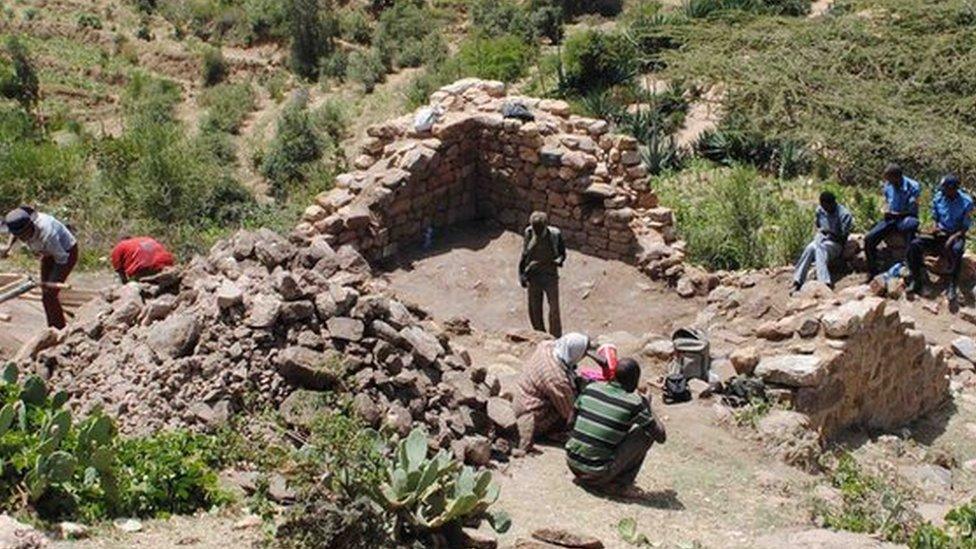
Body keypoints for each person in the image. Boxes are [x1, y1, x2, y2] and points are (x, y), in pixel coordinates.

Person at [565, 358, 666, 494]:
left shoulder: (591, 388)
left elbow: (570, 423)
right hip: (596, 472)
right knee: (646, 433)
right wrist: (647, 405)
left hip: (572, 463)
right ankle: (620, 485)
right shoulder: (634, 403)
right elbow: (660, 436)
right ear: (634, 380)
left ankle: (588, 473)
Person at [513, 333, 604, 441]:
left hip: (521, 400)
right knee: (577, 409)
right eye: (582, 355)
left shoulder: (546, 347)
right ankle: (554, 433)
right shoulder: (557, 379)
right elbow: (569, 412)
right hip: (532, 416)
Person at [0, 207, 78, 329]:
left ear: (30, 227)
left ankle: (59, 330)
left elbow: (62, 258)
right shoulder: (20, 224)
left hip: (66, 253)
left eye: (23, 235)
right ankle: (52, 326)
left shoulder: (47, 233)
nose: (22, 239)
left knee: (49, 295)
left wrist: (52, 281)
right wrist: (8, 247)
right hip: (47, 253)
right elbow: (14, 232)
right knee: (46, 295)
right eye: (19, 236)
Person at [906, 174, 974, 301]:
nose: (942, 191)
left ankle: (952, 284)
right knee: (915, 244)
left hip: (956, 234)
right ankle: (916, 279)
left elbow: (964, 228)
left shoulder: (966, 202)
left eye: (945, 189)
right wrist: (934, 228)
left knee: (957, 250)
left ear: (953, 189)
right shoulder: (938, 198)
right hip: (940, 233)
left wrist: (952, 238)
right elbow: (936, 218)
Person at [864, 163, 921, 280]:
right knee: (869, 238)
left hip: (906, 217)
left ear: (897, 177)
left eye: (890, 179)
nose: (888, 182)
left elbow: (912, 210)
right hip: (891, 218)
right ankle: (873, 270)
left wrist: (898, 214)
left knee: (911, 228)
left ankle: (911, 269)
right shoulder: (888, 185)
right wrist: (885, 210)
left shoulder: (913, 186)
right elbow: (886, 201)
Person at [792, 191, 854, 292]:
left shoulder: (844, 214)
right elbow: (818, 225)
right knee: (810, 248)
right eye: (823, 207)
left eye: (826, 207)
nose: (824, 209)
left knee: (820, 249)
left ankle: (824, 282)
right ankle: (798, 280)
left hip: (835, 243)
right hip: (821, 239)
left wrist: (830, 232)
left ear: (833, 204)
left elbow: (843, 237)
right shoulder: (820, 210)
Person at [518, 211, 566, 338]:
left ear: (546, 225)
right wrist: (522, 274)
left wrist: (558, 261)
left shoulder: (555, 235)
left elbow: (562, 254)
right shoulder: (529, 233)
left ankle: (555, 337)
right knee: (534, 308)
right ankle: (540, 336)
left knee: (554, 309)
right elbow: (524, 255)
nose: (537, 233)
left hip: (550, 275)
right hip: (534, 275)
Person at [110, 236, 175, 283]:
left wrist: (125, 284)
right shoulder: (146, 238)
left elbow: (119, 270)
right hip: (167, 263)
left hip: (144, 268)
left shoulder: (120, 246)